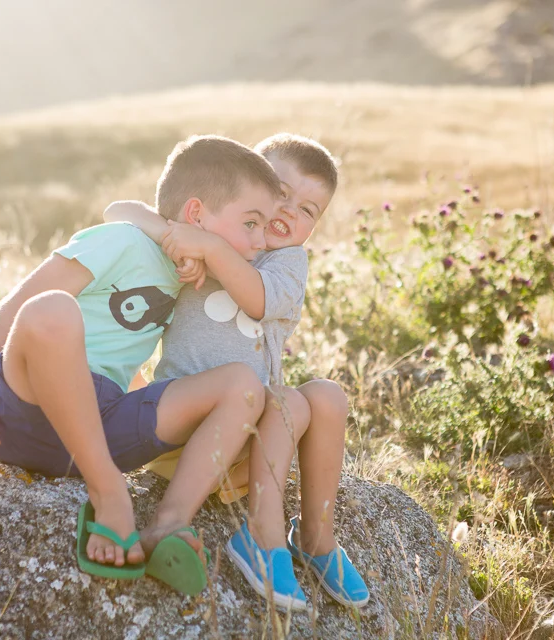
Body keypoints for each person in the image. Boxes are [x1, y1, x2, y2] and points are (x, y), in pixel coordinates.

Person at [0, 135, 281, 589]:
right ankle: (110, 491)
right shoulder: (122, 241)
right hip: (29, 406)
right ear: (196, 214)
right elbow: (21, 302)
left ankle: (169, 522)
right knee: (52, 310)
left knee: (244, 384)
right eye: (251, 224)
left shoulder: (197, 277)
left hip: (102, 425)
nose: (259, 244)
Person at [104, 133, 369, 610]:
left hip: (250, 457)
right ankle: (261, 536)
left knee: (325, 395)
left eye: (309, 210)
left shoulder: (287, 262)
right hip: (183, 434)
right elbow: (118, 211)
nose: (289, 212)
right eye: (281, 194)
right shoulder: (211, 233)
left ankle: (316, 537)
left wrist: (207, 247)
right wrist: (181, 237)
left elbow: (258, 297)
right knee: (279, 397)